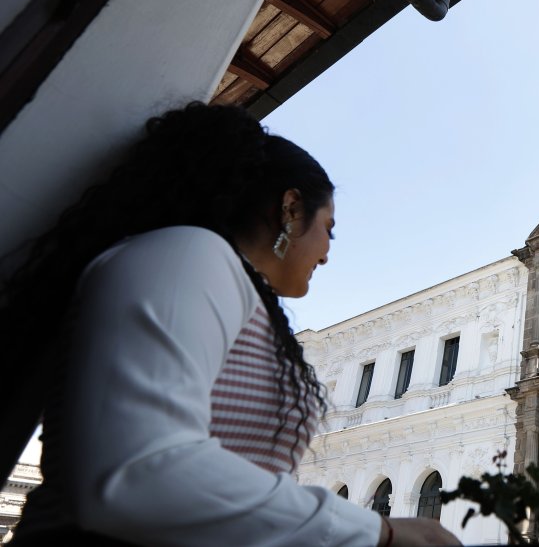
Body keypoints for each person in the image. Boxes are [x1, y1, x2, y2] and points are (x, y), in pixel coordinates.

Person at [0, 103, 461, 547]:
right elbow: (140, 469)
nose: (326, 252)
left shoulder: (225, 284)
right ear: (291, 209)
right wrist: (377, 532)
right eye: (328, 228)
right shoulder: (188, 255)